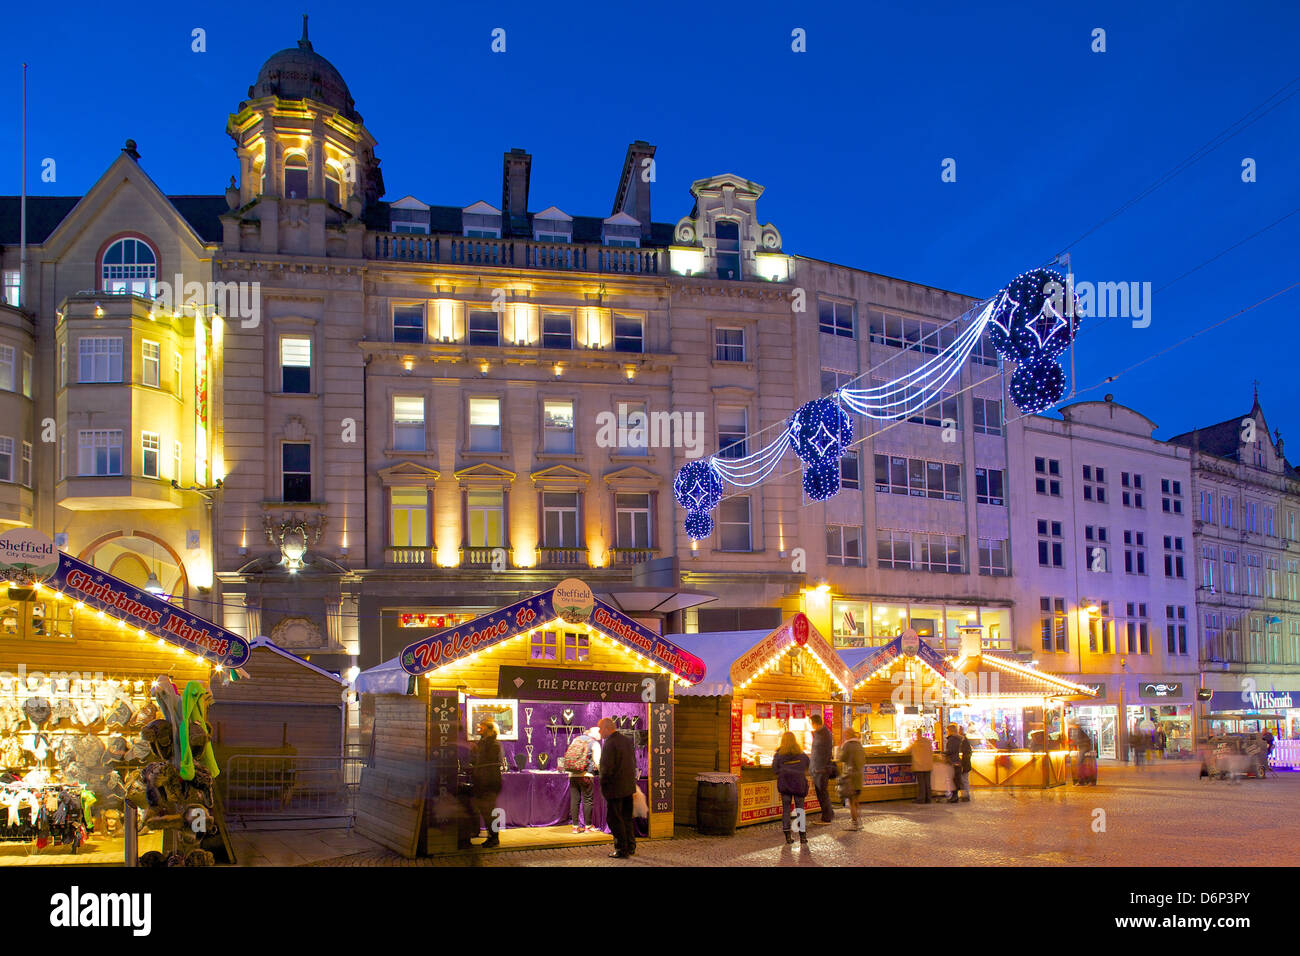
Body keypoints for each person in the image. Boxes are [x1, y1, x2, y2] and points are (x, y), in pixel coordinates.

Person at [597, 716, 637, 859]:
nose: (600, 732)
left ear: (608, 728)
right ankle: (631, 846)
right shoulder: (626, 741)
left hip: (615, 789)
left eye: (601, 729)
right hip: (628, 787)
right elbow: (633, 762)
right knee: (626, 818)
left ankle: (621, 849)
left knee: (614, 819)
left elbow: (606, 768)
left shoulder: (609, 744)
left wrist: (604, 786)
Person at [469, 720, 507, 848]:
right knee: (485, 810)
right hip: (483, 781)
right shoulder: (484, 743)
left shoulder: (493, 744)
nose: (479, 728)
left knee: (489, 811)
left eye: (482, 726)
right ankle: (491, 835)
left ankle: (494, 837)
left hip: (489, 781)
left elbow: (487, 760)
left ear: (489, 729)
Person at [772, 731, 810, 845]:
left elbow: (774, 769)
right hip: (799, 785)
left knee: (786, 810)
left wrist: (784, 772)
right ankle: (803, 837)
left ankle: (788, 837)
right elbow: (808, 764)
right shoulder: (801, 754)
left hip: (785, 785)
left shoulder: (779, 754)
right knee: (800, 810)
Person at [564, 726, 602, 832]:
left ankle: (575, 827)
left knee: (575, 800)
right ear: (595, 734)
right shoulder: (594, 743)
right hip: (586, 775)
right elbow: (597, 761)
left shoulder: (576, 739)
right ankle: (588, 826)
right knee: (588, 800)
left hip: (573, 774)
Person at [837, 728, 867, 830]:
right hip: (859, 776)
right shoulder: (860, 745)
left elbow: (841, 758)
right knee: (856, 800)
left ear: (848, 735)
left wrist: (840, 749)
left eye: (845, 734)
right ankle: (859, 821)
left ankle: (854, 824)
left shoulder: (847, 745)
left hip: (851, 777)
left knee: (852, 801)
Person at [808, 713, 835, 824]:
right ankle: (829, 813)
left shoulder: (823, 734)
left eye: (811, 723)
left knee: (822, 793)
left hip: (821, 769)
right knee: (823, 792)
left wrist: (817, 768)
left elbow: (821, 753)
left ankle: (826, 817)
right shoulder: (823, 733)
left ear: (814, 723)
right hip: (821, 768)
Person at [908, 727, 933, 804]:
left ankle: (921, 798)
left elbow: (907, 750)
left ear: (917, 734)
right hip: (928, 765)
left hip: (919, 765)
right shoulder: (928, 742)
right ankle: (928, 798)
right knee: (927, 782)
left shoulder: (916, 743)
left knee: (921, 783)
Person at [942, 724, 962, 802]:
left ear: (950, 731)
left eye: (947, 730)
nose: (947, 732)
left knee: (953, 780)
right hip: (956, 761)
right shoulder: (957, 738)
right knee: (955, 779)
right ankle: (955, 796)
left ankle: (954, 797)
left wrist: (944, 753)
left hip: (952, 761)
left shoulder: (952, 739)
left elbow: (951, 750)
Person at [957, 724, 973, 801]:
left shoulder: (964, 741)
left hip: (965, 764)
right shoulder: (964, 740)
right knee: (964, 780)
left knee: (964, 780)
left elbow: (966, 752)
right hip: (965, 764)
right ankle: (964, 795)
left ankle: (966, 796)